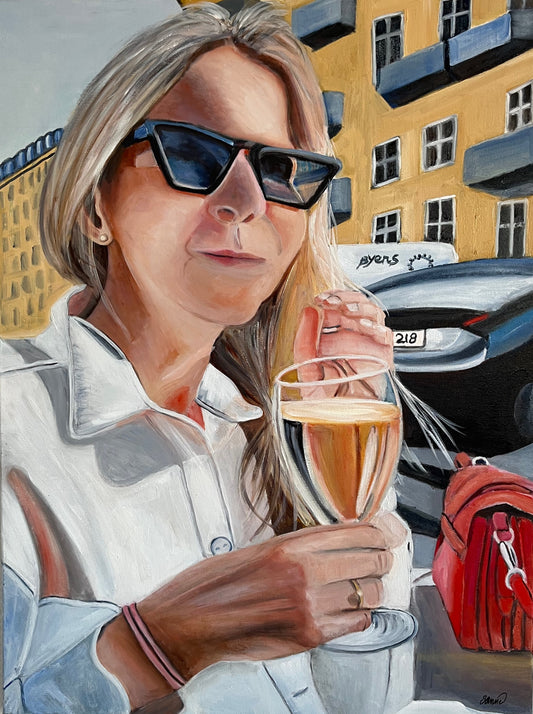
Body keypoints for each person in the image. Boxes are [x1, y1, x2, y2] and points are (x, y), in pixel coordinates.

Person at [2, 3, 411, 712]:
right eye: (192, 155)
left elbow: (366, 700)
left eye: (281, 169)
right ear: (96, 206)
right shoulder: (14, 422)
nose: (247, 201)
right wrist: (159, 643)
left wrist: (343, 494)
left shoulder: (260, 426)